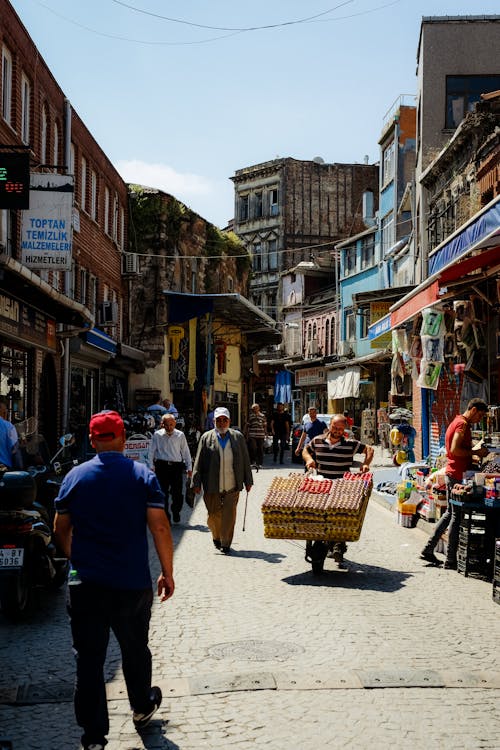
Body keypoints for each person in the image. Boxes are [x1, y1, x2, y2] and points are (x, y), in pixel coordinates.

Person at [53, 410, 175, 750]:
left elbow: (60, 528)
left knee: (89, 661)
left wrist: (75, 558)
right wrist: (167, 572)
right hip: (130, 583)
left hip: (85, 584)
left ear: (92, 441)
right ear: (122, 438)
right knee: (135, 649)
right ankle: (141, 707)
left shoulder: (75, 478)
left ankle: (93, 737)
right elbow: (161, 527)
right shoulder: (141, 475)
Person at [420, 398, 489, 569]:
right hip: (457, 474)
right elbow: (454, 449)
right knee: (455, 516)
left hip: (453, 472)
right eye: (479, 415)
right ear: (472, 410)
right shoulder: (462, 425)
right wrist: (475, 451)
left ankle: (428, 549)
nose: (479, 419)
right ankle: (450, 560)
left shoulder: (457, 421)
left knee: (450, 513)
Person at [302, 413, 374, 568]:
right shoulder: (318, 441)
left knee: (341, 516)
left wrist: (366, 464)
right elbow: (305, 450)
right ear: (330, 426)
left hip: (342, 487)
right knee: (319, 516)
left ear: (344, 430)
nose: (337, 431)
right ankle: (323, 542)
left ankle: (338, 545)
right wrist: (309, 459)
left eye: (340, 429)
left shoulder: (350, 444)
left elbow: (369, 449)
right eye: (335, 427)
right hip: (321, 487)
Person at [192, 406, 253, 554]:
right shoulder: (206, 437)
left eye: (224, 420)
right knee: (213, 515)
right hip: (212, 483)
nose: (221, 423)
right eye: (218, 420)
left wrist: (248, 480)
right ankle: (216, 536)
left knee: (229, 514)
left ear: (229, 421)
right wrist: (196, 482)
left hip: (233, 483)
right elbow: (198, 461)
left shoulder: (238, 437)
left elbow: (245, 459)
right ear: (214, 421)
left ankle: (226, 543)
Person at [148, 413, 192, 523]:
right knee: (163, 493)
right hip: (161, 467)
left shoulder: (180, 435)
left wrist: (189, 467)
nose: (169, 427)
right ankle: (166, 515)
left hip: (176, 467)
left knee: (177, 493)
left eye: (171, 424)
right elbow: (151, 452)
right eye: (166, 425)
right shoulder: (157, 435)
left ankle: (176, 511)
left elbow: (185, 451)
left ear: (175, 424)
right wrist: (151, 466)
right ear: (162, 424)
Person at [0, 398, 22, 469]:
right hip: (3, 469)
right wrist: (20, 469)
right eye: (5, 412)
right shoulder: (8, 426)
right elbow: (15, 451)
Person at [245, 403, 267, 468]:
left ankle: (260, 463)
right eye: (253, 408)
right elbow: (248, 425)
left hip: (261, 435)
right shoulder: (251, 416)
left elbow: (265, 425)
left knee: (260, 449)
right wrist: (246, 434)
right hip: (252, 435)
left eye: (256, 408)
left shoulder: (262, 416)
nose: (255, 409)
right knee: (253, 448)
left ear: (259, 408)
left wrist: (266, 434)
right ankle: (253, 462)